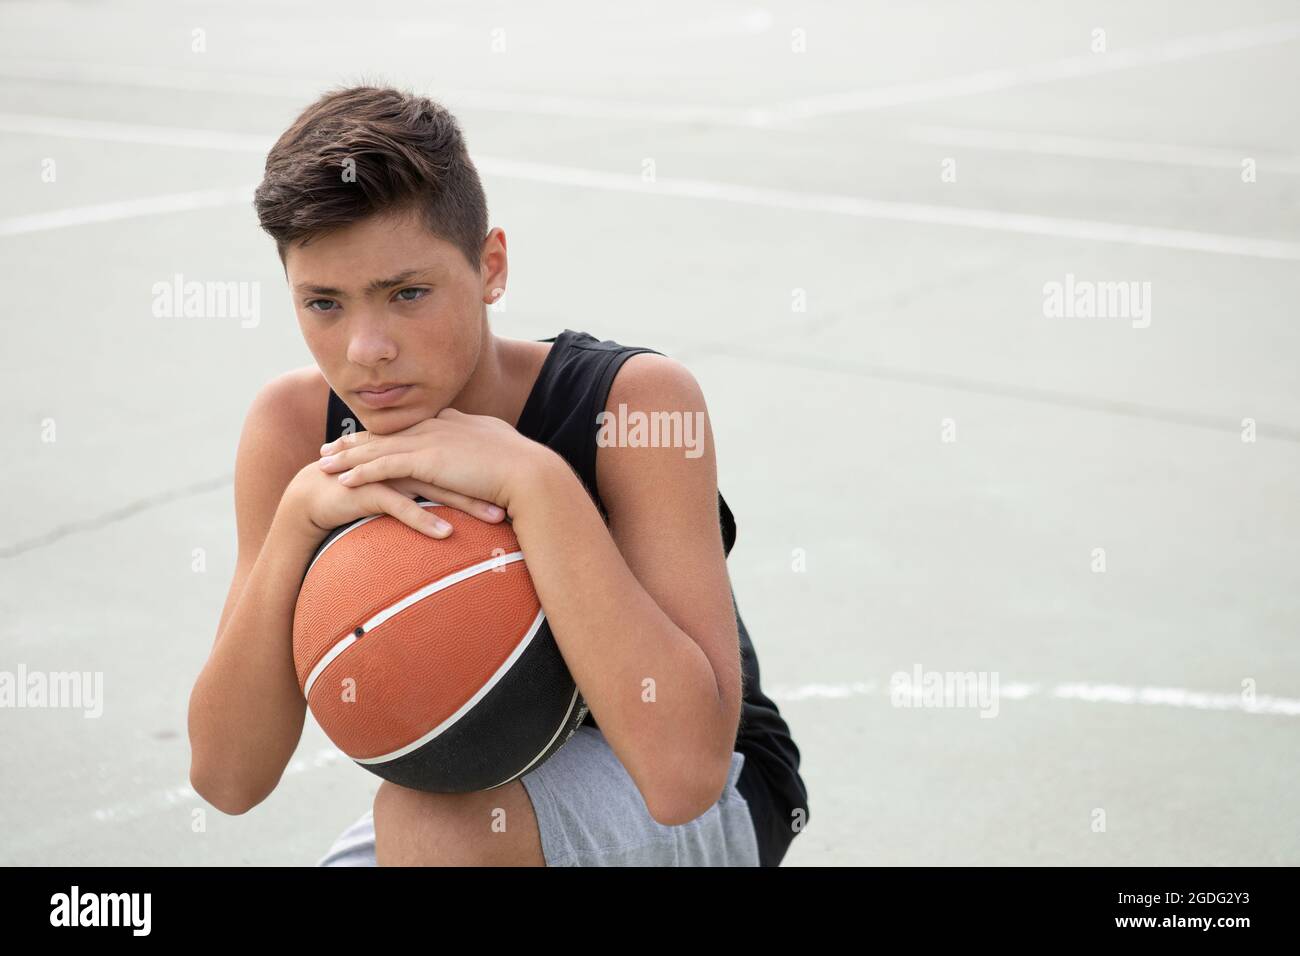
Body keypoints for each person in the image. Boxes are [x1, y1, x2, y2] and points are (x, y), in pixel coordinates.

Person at [187, 84, 809, 866]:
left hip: (715, 786)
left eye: (407, 294)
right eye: (324, 304)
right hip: (485, 784)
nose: (365, 349)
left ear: (491, 267)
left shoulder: (635, 402)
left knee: (429, 828)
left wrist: (537, 485)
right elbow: (228, 778)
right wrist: (293, 530)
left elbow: (683, 775)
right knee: (429, 827)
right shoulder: (294, 428)